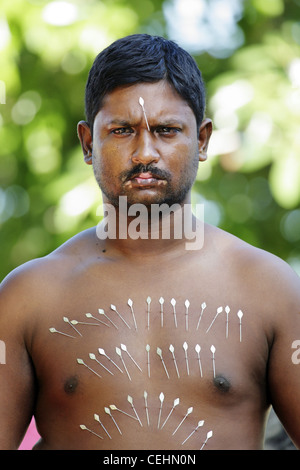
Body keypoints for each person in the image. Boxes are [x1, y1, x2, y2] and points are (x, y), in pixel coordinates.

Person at [0, 33, 300, 451]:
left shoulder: (270, 288)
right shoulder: (28, 297)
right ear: (89, 143)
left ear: (202, 141)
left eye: (166, 130)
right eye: (122, 130)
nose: (145, 153)